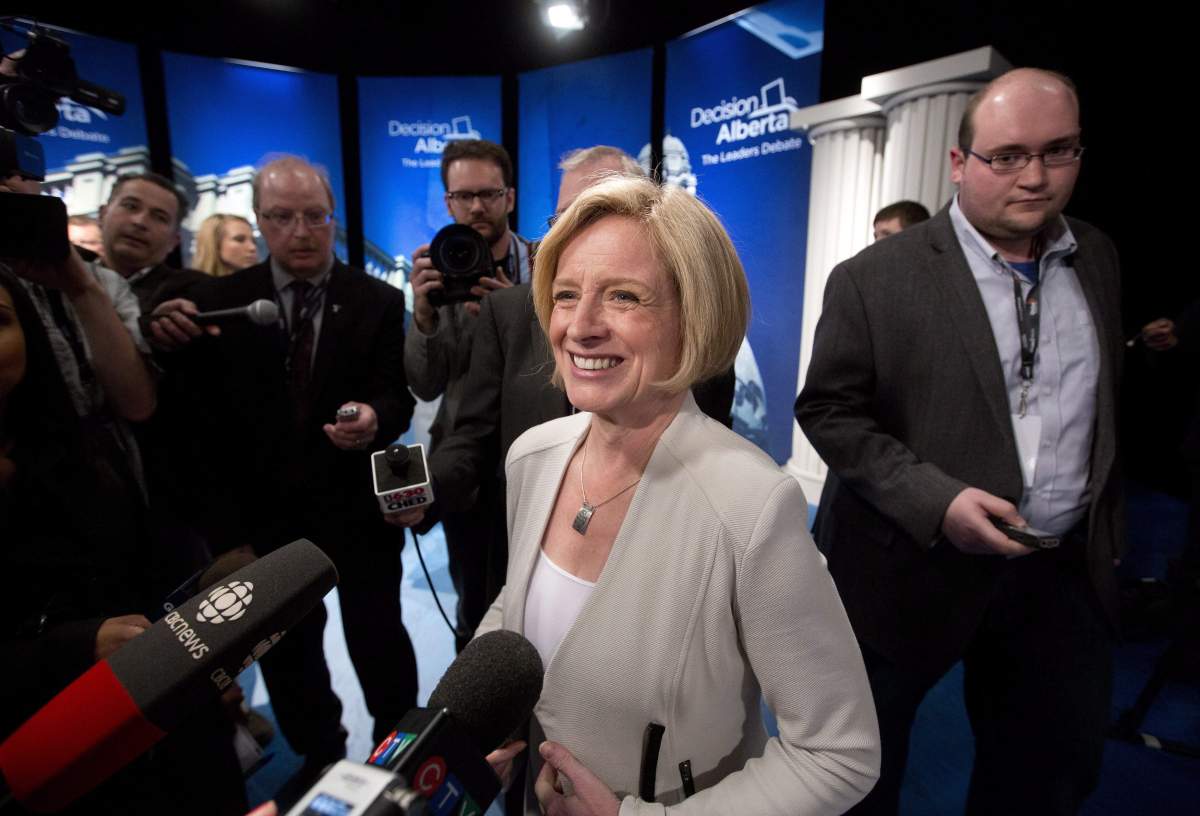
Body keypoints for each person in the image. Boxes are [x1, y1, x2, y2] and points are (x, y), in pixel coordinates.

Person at [477, 175, 880, 815]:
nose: (580, 327)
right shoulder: (534, 455)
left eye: (624, 298)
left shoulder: (751, 505)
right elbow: (516, 601)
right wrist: (483, 711)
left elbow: (839, 753)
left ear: (695, 315)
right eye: (566, 296)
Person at [795, 68, 1122, 815]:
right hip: (907, 570)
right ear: (958, 163)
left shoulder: (1098, 257)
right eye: (1007, 155)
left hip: (1058, 573)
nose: (1035, 177)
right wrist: (936, 501)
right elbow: (830, 412)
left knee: (1040, 778)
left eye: (1059, 151)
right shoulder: (874, 279)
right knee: (859, 778)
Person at [148, 155, 417, 786]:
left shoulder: (377, 298)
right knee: (289, 655)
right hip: (263, 526)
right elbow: (199, 432)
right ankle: (320, 757)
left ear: (333, 219)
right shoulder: (219, 304)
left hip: (357, 517)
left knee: (380, 640)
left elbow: (398, 397)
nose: (300, 231)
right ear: (260, 220)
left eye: (314, 216)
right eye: (282, 216)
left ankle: (399, 756)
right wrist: (224, 535)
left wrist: (375, 419)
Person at [0, 267, 246, 816]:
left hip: (158, 721)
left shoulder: (80, 456)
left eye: (0, 320)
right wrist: (73, 647)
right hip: (43, 754)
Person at [405, 138, 535, 651]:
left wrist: (517, 317)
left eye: (488, 193)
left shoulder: (544, 266)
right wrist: (422, 315)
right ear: (447, 203)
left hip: (539, 454)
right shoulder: (439, 267)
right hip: (466, 466)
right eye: (463, 196)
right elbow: (424, 383)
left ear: (510, 196)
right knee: (474, 603)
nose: (476, 206)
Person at [192, 213, 261, 278]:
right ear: (214, 244)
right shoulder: (193, 288)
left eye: (254, 241)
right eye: (239, 240)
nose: (252, 248)